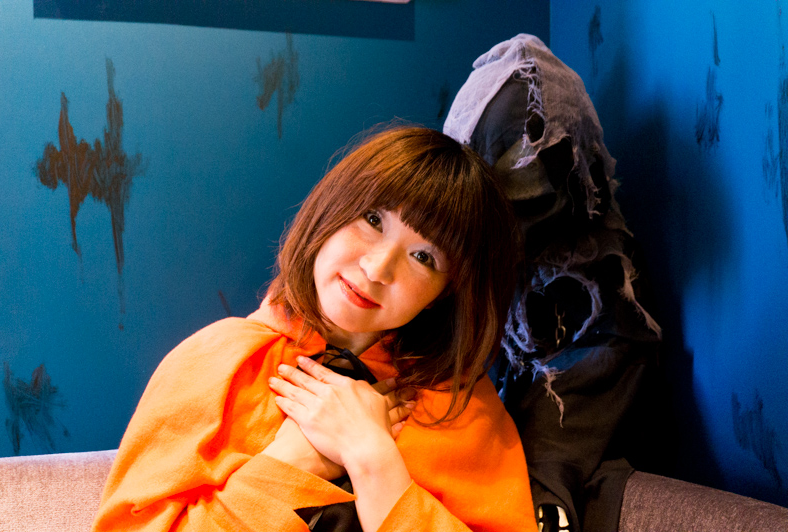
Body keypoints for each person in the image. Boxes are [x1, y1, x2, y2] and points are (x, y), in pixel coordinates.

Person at [91, 126, 539, 532]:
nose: (377, 268)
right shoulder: (217, 360)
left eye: (424, 257)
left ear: (444, 292)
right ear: (333, 207)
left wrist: (372, 458)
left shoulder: (459, 406)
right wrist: (294, 461)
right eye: (373, 220)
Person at [444, 35, 662, 532]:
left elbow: (588, 384)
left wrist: (547, 485)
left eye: (528, 202)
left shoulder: (600, 275)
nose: (512, 227)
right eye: (494, 201)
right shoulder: (456, 256)